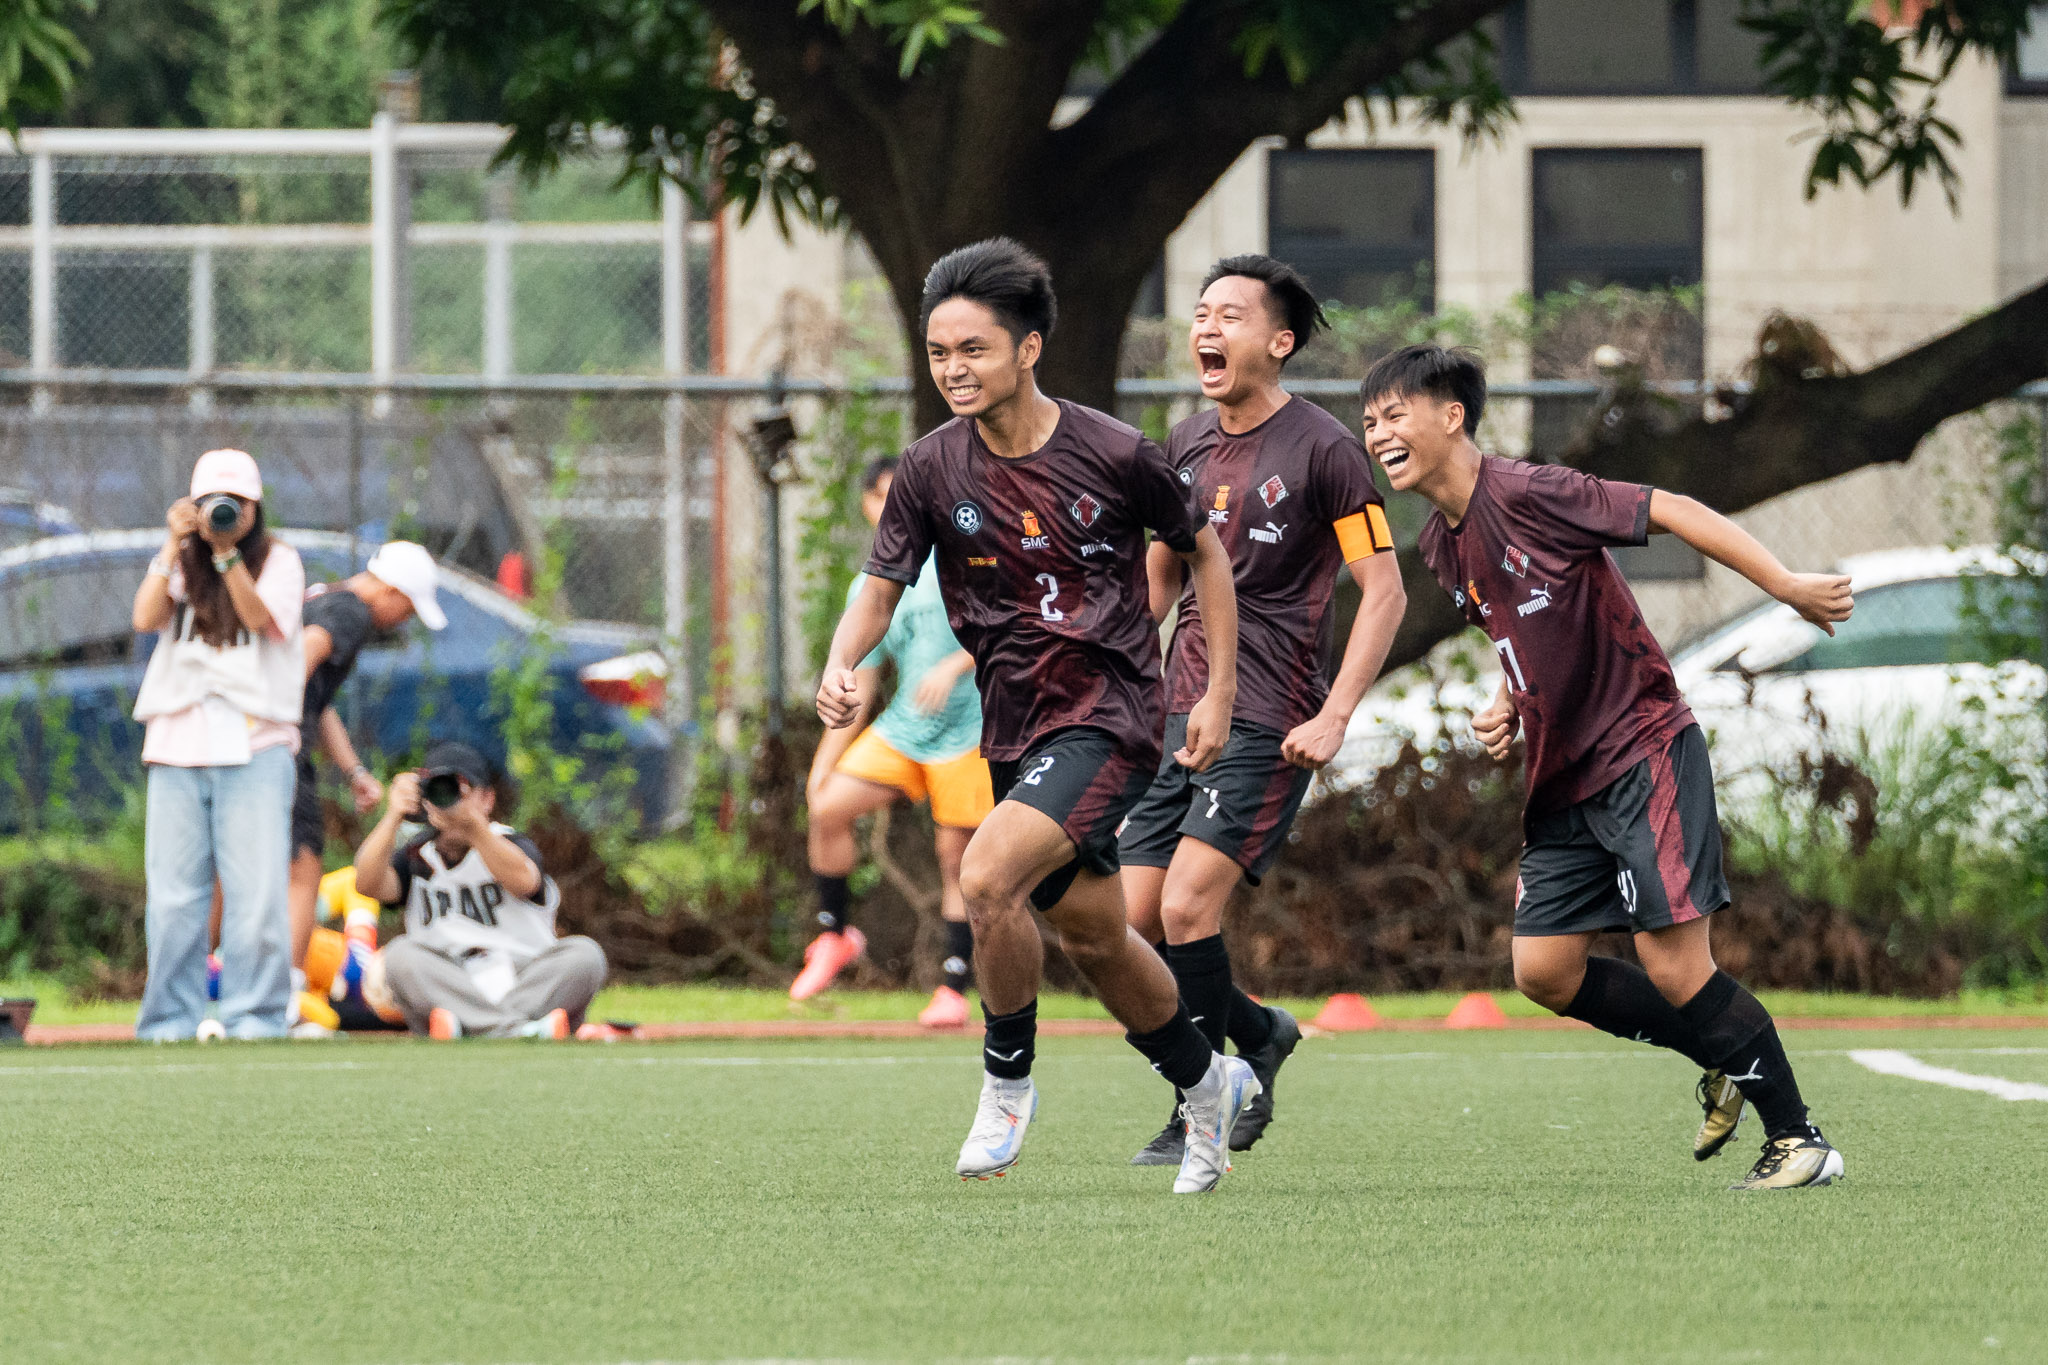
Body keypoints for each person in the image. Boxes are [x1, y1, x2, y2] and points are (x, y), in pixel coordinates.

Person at [819, 237, 1257, 1195]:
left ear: (1027, 349)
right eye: (939, 354)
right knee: (1098, 938)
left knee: (984, 872)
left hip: (1111, 713)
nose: (953, 371)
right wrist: (841, 661)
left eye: (972, 349)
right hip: (1013, 725)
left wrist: (1217, 690)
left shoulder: (1115, 452)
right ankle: (1209, 1080)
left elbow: (1205, 556)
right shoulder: (931, 468)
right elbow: (879, 582)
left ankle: (1005, 1084)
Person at [1360, 343, 1853, 1191]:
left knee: (1675, 966)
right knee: (1543, 970)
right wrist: (1508, 703)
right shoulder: (1443, 545)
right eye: (1369, 422)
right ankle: (1722, 1054)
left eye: (1395, 413)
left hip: (1642, 748)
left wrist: (1784, 584)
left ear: (1452, 416)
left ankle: (1801, 1139)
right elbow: (1524, 627)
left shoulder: (1534, 491)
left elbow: (1677, 510)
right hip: (1564, 782)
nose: (1379, 434)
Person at [1119, 255, 1408, 1165]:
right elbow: (1159, 581)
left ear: (1277, 343)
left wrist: (1337, 714)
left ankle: (1196, 1100)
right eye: (1202, 313)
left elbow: (1386, 590)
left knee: (1188, 903)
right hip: (1179, 712)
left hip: (1269, 714)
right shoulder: (1182, 444)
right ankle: (1260, 1034)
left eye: (1231, 315)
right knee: (1129, 924)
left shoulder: (1325, 449)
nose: (1209, 328)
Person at [799, 457, 992, 1026]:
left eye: (900, 496)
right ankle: (834, 935)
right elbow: (860, 678)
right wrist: (823, 764)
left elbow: (1015, 627)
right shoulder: (872, 582)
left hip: (970, 733)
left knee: (957, 860)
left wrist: (955, 665)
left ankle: (954, 989)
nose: (891, 507)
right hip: (908, 730)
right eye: (880, 497)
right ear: (867, 506)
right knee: (826, 806)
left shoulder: (965, 556)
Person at [130, 448, 306, 1040]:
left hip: (255, 742)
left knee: (257, 895)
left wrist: (227, 554)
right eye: (211, 503)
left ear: (256, 508)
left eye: (237, 504)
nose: (224, 512)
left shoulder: (279, 561)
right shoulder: (181, 560)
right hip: (178, 738)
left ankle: (255, 1017)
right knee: (175, 898)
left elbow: (261, 620)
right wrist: (172, 546)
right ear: (193, 504)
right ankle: (168, 1022)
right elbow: (144, 617)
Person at [287, 541, 447, 1035]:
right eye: (408, 607)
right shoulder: (351, 613)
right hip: (275, 749)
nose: (404, 619)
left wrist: (354, 770)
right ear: (392, 591)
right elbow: (303, 660)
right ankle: (285, 999)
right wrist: (274, 729)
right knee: (303, 865)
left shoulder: (322, 598)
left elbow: (317, 697)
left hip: (266, 742)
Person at [350, 741, 607, 1039]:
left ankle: (478, 1028)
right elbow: (366, 883)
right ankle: (518, 1031)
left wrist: (474, 826)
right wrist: (393, 814)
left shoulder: (509, 842)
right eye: (440, 790)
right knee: (399, 957)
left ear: (487, 799)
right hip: (451, 980)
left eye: (460, 789)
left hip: (523, 976)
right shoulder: (417, 856)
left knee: (585, 955)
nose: (451, 800)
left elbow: (524, 881)